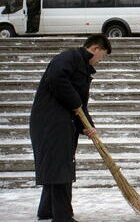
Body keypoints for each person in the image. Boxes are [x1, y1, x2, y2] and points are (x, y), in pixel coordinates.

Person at [30, 34, 112, 222]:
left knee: (57, 165)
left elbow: (80, 104)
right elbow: (57, 79)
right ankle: (62, 216)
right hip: (50, 122)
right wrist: (76, 104)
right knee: (60, 167)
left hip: (62, 123)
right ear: (95, 49)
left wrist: (88, 126)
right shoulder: (69, 57)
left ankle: (47, 210)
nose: (101, 60)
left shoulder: (83, 68)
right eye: (103, 55)